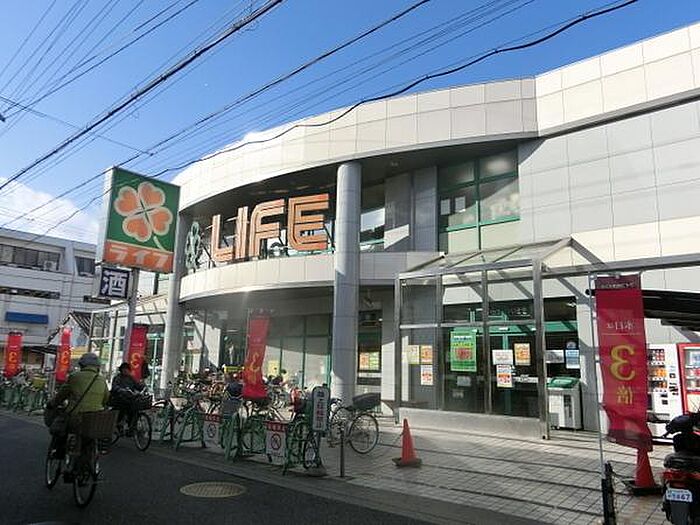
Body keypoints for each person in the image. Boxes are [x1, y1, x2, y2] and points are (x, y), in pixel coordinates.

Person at [48, 353, 109, 457]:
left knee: (61, 426)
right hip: (96, 418)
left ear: (82, 365)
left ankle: (60, 451)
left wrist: (52, 403)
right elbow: (106, 398)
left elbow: (61, 395)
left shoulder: (74, 377)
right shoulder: (102, 380)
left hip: (76, 417)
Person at [110, 362, 145, 434]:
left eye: (127, 369)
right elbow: (115, 387)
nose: (126, 371)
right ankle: (119, 424)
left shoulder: (131, 378)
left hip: (130, 398)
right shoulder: (117, 378)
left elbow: (138, 386)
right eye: (124, 369)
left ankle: (130, 426)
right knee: (122, 408)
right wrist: (122, 390)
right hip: (119, 398)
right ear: (121, 370)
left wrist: (142, 386)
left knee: (133, 409)